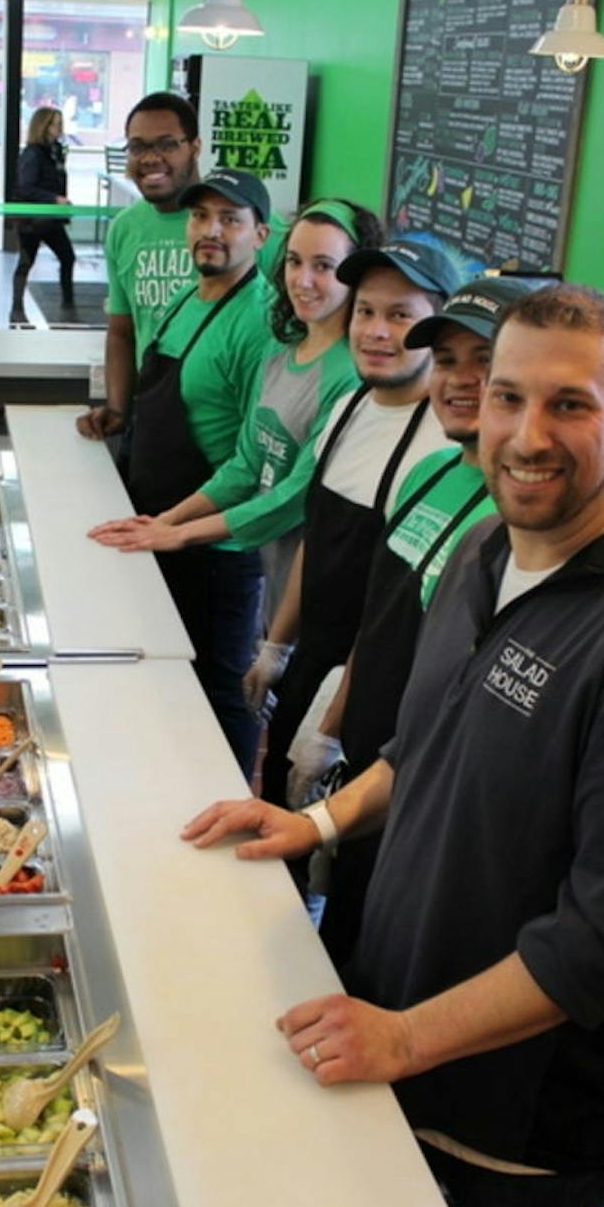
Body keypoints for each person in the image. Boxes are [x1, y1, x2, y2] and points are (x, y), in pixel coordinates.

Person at [183, 284, 604, 1207]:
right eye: (508, 398)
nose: (527, 435)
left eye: (569, 406)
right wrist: (315, 819)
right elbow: (426, 743)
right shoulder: (490, 546)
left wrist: (404, 1038)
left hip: (522, 1116)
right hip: (415, 1033)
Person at [290, 275, 534, 965]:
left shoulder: (511, 523)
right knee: (339, 944)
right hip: (368, 778)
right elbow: (382, 620)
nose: (460, 380)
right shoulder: (428, 472)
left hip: (423, 802)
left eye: (484, 364)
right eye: (448, 360)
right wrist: (328, 731)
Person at [87, 197, 381, 625]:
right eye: (295, 262)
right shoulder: (283, 348)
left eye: (324, 266)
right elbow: (246, 464)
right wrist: (162, 523)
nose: (303, 280)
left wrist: (180, 534)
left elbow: (293, 498)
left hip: (317, 584)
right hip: (270, 566)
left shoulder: (351, 374)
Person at [249, 238, 460, 816]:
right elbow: (317, 542)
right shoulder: (348, 408)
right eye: (365, 311)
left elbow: (390, 605)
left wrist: (330, 729)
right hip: (311, 668)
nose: (375, 331)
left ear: (437, 331)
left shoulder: (439, 446)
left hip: (368, 697)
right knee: (276, 825)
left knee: (326, 858)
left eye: (400, 316)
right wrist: (276, 647)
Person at [98, 169, 274, 777]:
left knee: (220, 692)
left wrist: (176, 525)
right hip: (158, 525)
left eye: (231, 220)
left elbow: (254, 462)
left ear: (261, 234)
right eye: (202, 217)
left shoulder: (260, 321)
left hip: (216, 548)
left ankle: (226, 804)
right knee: (166, 685)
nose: (211, 231)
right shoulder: (187, 297)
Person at [76, 91, 201, 443]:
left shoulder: (238, 223)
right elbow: (121, 331)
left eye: (166, 145)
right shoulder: (125, 228)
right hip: (153, 421)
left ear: (195, 146)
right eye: (137, 147)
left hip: (225, 432)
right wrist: (117, 410)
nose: (150, 158)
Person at [11, 107, 75, 327]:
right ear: (43, 126)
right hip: (33, 219)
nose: (59, 129)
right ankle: (17, 310)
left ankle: (68, 305)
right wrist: (54, 199)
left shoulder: (54, 151)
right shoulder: (33, 153)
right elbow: (25, 187)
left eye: (59, 124)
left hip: (50, 218)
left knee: (67, 256)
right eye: (55, 124)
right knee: (26, 262)